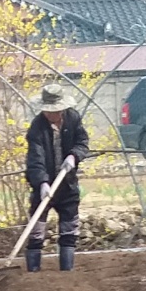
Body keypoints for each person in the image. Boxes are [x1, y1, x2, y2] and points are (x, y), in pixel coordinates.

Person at [24, 82, 90, 273]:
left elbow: (82, 142)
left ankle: (66, 274)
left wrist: (74, 156)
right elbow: (35, 159)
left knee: (69, 230)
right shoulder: (37, 127)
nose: (51, 114)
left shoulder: (73, 118)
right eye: (48, 111)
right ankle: (33, 274)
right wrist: (42, 183)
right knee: (36, 231)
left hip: (67, 184)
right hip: (44, 187)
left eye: (55, 111)